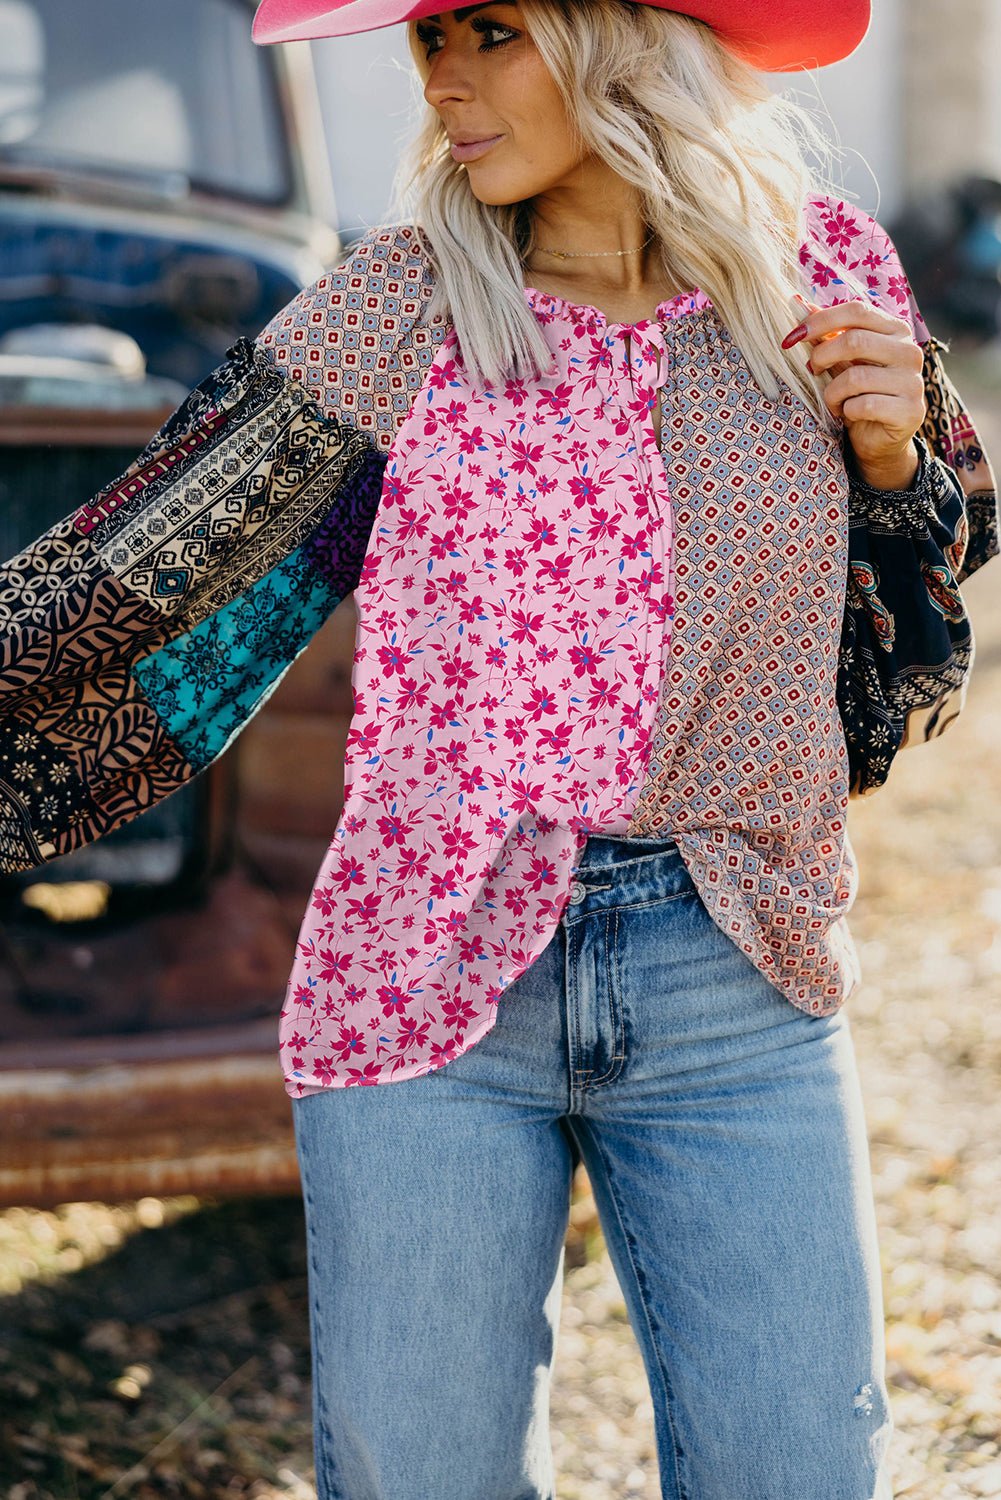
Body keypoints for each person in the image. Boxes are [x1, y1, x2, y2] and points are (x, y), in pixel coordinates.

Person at [0, 0, 996, 1495]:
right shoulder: (400, 303)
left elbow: (905, 633)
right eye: (426, 43)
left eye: (489, 32)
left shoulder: (825, 269)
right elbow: (129, 580)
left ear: (623, 38)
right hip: (426, 985)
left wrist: (898, 459)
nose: (443, 79)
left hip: (736, 972)